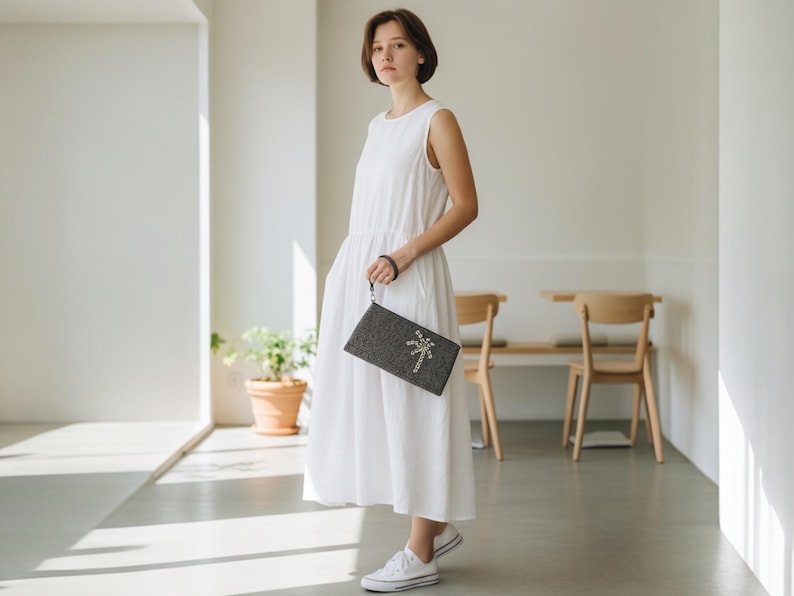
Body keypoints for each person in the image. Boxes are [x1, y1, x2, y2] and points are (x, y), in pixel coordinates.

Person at [303, 8, 478, 592]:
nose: (386, 55)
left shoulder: (438, 119)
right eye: (378, 46)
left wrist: (402, 255)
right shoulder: (379, 127)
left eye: (399, 45)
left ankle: (419, 551)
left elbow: (464, 207)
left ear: (421, 54)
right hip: (365, 282)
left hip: (413, 282)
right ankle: (434, 524)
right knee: (379, 407)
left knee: (416, 404)